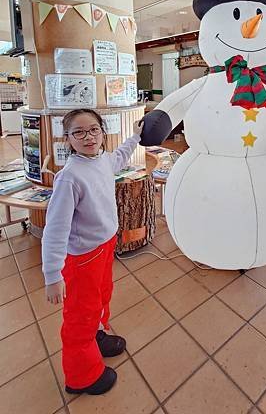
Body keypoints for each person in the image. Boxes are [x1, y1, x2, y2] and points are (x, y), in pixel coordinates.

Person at [42, 109, 143, 395]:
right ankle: (82, 377)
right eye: (79, 132)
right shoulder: (69, 177)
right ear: (68, 138)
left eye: (93, 130)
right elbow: (55, 230)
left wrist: (135, 135)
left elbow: (120, 156)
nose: (88, 137)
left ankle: (96, 337)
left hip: (104, 247)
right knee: (80, 316)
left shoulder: (101, 160)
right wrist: (52, 275)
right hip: (82, 258)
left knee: (101, 298)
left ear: (102, 132)